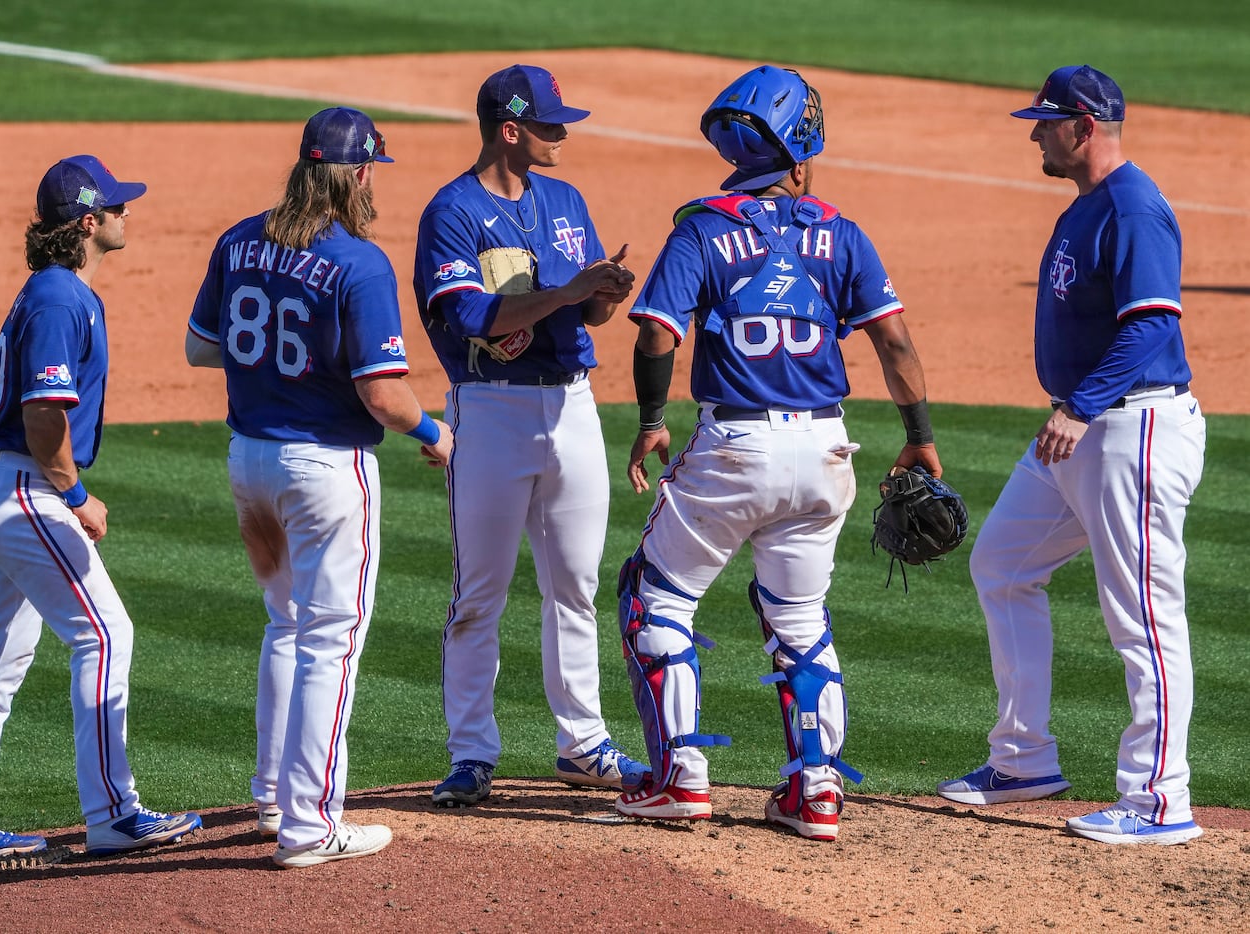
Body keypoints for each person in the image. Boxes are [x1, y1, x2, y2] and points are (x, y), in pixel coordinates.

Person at [613, 65, 943, 842]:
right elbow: (893, 340)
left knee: (653, 597)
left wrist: (652, 419)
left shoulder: (701, 227)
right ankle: (816, 791)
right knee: (798, 616)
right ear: (797, 153)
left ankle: (679, 779)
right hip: (827, 446)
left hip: (735, 445)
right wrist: (921, 435)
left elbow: (658, 329)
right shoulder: (842, 231)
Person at [937, 65, 1206, 846]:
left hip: (1129, 428)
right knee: (1002, 564)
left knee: (1144, 618)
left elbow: (1152, 325)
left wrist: (1079, 407)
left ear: (1083, 124)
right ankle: (1023, 759)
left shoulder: (1132, 208)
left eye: (1045, 122)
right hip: (1082, 432)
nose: (1034, 134)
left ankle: (1158, 800)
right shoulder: (1087, 204)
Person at [186, 108, 453, 867]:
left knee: (287, 625)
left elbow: (201, 345)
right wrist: (434, 435)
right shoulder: (358, 263)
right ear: (359, 173)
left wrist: (276, 360)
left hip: (250, 463)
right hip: (325, 470)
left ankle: (273, 797)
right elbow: (384, 395)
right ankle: (311, 825)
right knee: (330, 642)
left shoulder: (239, 239)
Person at [0, 156, 202, 866]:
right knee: (105, 633)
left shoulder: (53, 288)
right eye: (117, 207)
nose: (126, 214)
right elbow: (44, 411)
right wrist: (76, 496)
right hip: (23, 488)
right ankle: (114, 815)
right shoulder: (60, 298)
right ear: (89, 223)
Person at [412, 64, 648, 806]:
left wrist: (602, 294)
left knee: (574, 586)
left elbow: (582, 316)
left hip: (573, 407)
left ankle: (582, 742)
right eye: (549, 125)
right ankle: (471, 754)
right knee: (479, 592)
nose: (562, 135)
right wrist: (570, 292)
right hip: (491, 411)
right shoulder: (450, 212)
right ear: (509, 131)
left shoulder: (566, 199)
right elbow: (478, 319)